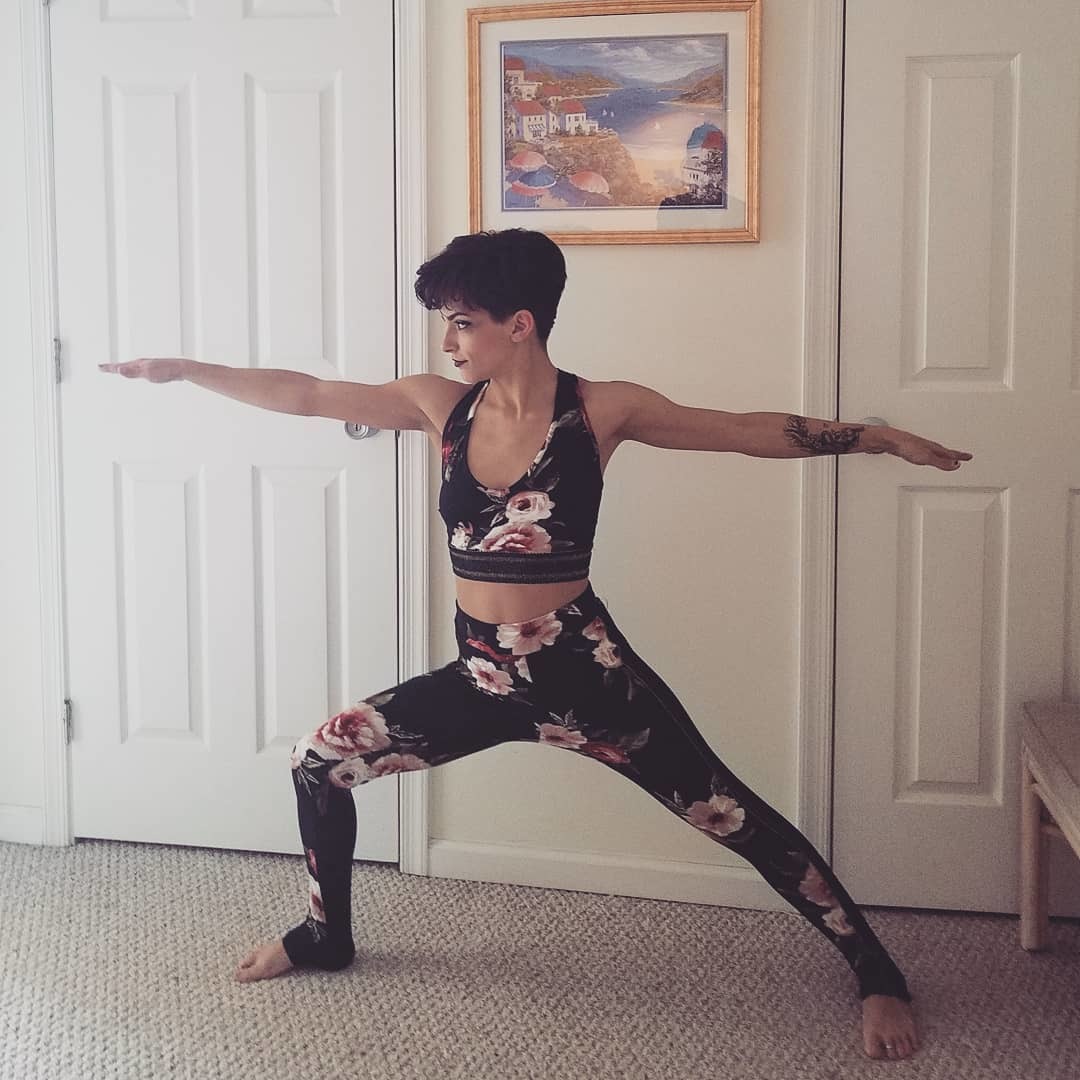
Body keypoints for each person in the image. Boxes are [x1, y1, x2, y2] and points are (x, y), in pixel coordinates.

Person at [100, 228, 972, 1061]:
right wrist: (186, 370)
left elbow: (745, 430)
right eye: (446, 322)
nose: (447, 341)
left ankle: (877, 973)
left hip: (588, 678)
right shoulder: (438, 405)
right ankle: (326, 938)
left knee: (733, 815)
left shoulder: (602, 410)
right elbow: (308, 393)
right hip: (481, 679)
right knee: (318, 759)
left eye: (462, 323)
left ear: (519, 324)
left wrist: (874, 437)